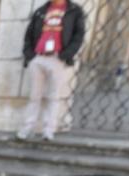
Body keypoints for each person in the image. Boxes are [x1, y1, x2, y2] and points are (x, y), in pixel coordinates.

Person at [17, 0, 85, 141]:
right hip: (39, 57)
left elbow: (78, 36)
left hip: (57, 57)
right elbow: (28, 35)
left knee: (53, 96)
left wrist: (65, 54)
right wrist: (30, 55)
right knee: (34, 95)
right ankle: (28, 127)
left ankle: (49, 130)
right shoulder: (41, 10)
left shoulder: (74, 10)